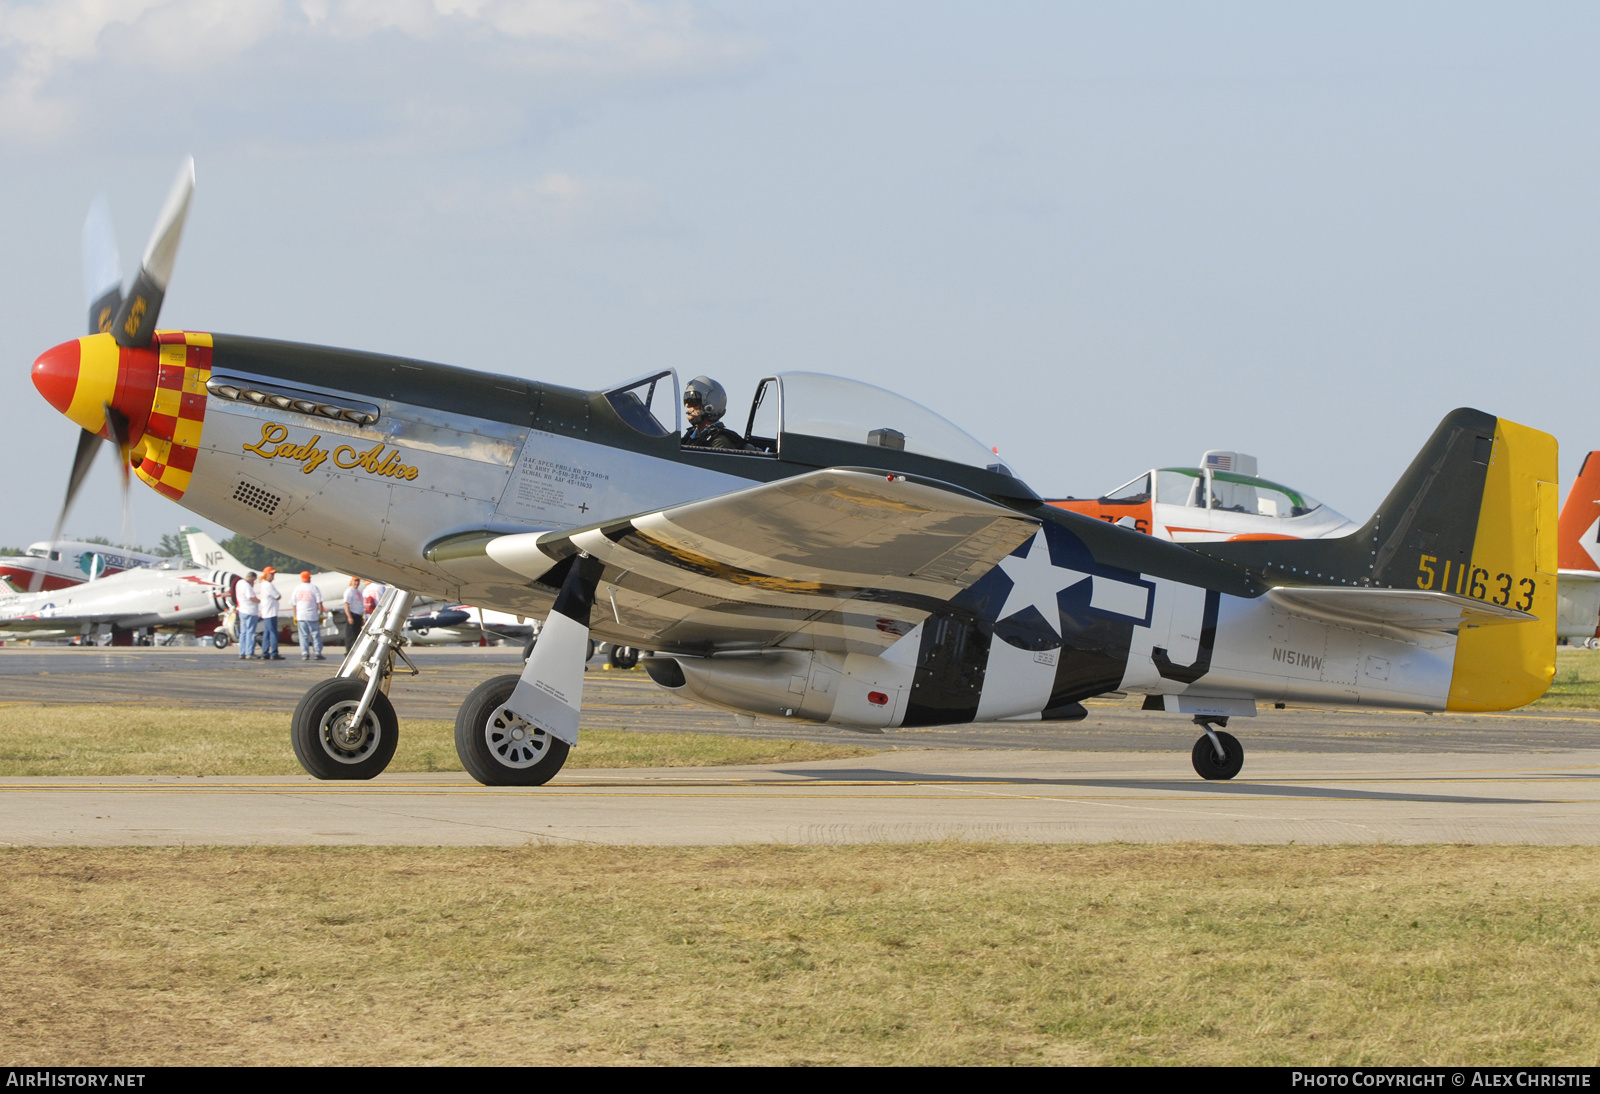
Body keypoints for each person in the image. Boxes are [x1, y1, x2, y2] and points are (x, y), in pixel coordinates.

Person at [680, 375, 744, 450]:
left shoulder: (719, 442)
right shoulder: (690, 436)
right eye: (686, 400)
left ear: (709, 406)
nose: (687, 405)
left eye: (693, 401)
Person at [292, 571, 326, 661]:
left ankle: (305, 653)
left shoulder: (297, 589)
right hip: (312, 615)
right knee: (315, 635)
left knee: (303, 636)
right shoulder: (314, 588)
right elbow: (319, 602)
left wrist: (295, 615)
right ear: (309, 578)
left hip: (301, 616)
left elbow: (294, 603)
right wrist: (321, 614)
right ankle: (317, 653)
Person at [257, 566, 284, 660]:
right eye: (271, 574)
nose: (273, 577)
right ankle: (274, 652)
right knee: (273, 633)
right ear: (267, 575)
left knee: (267, 633)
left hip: (266, 611)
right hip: (270, 612)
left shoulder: (264, 584)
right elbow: (278, 596)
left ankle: (265, 652)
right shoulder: (268, 585)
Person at [234, 571, 260, 660]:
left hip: (242, 610)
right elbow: (251, 597)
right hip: (250, 611)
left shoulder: (239, 583)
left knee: (243, 632)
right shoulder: (247, 586)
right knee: (251, 632)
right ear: (251, 578)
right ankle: (249, 652)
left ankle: (242, 652)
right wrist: (259, 601)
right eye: (254, 581)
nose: (254, 583)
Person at [342, 575, 364, 647]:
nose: (356, 583)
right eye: (355, 581)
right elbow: (346, 605)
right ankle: (348, 652)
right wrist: (349, 617)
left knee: (357, 635)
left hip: (358, 616)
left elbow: (361, 605)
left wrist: (362, 617)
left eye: (358, 581)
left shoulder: (358, 592)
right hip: (352, 614)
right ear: (352, 581)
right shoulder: (349, 591)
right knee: (350, 636)